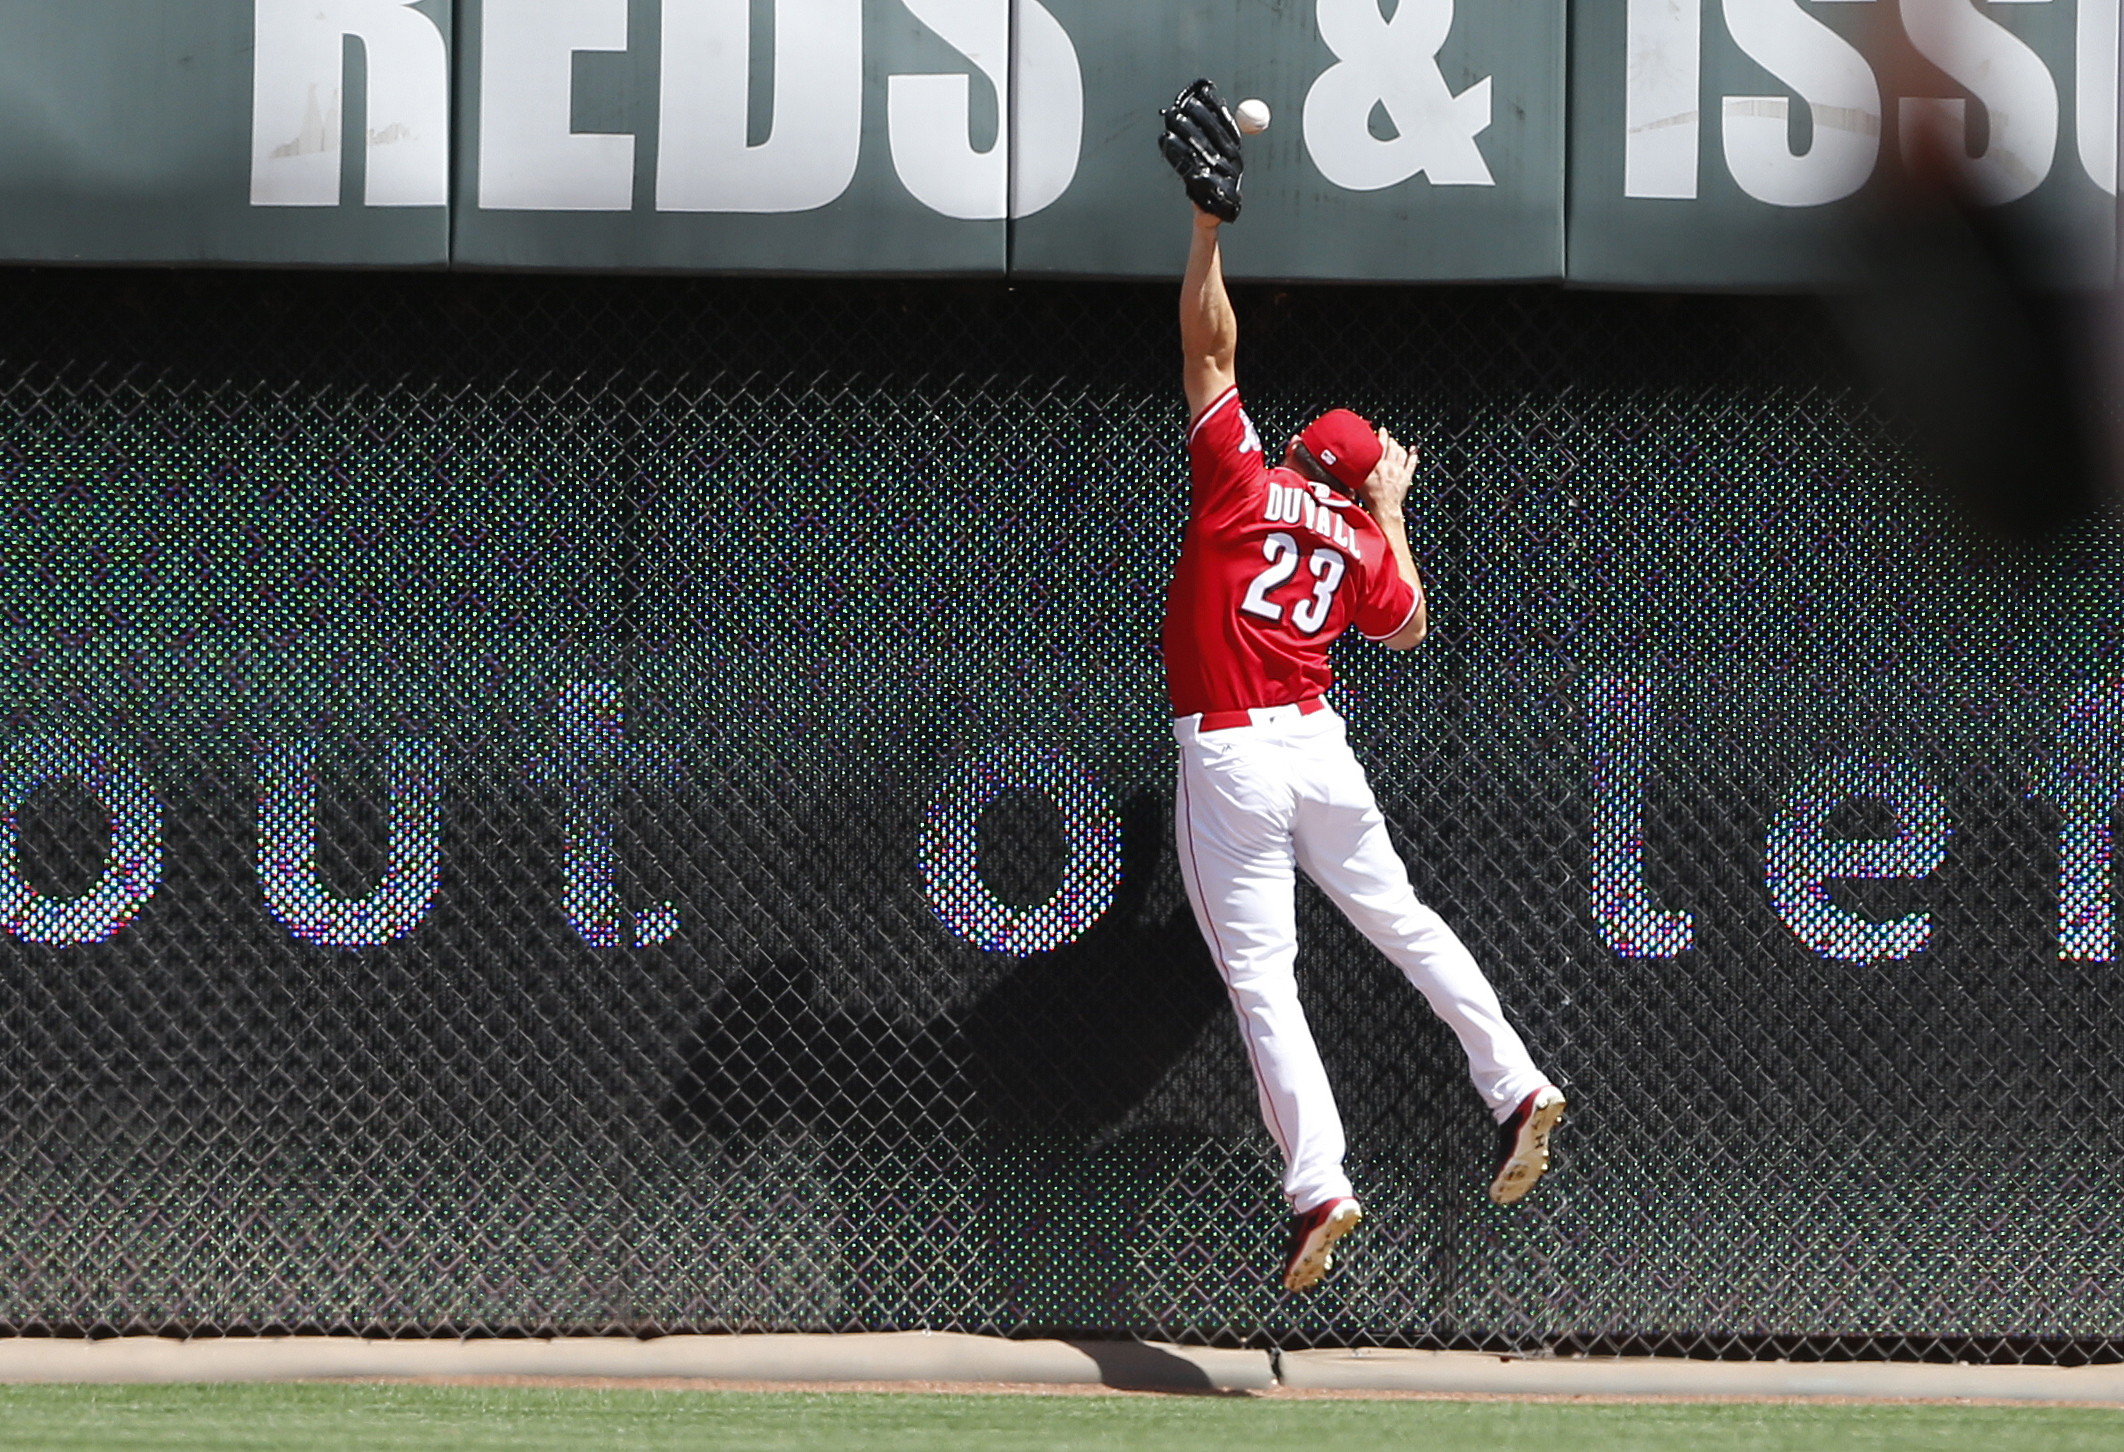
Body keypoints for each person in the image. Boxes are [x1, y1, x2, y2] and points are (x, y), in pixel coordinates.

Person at [1157, 81, 1566, 1295]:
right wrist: (1388, 507)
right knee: (1404, 922)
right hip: (1322, 748)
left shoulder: (1243, 485)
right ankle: (1516, 1080)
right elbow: (1412, 625)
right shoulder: (1357, 543)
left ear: (1294, 457)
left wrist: (1206, 229)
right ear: (1356, 483)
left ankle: (1321, 1183)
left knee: (1265, 983)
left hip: (1234, 752)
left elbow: (1210, 346)